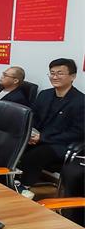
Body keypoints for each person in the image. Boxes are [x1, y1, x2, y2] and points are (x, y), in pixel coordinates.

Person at [17, 58, 84, 199]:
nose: (55, 77)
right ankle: (9, 179)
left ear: (72, 76)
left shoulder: (80, 101)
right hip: (39, 137)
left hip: (62, 144)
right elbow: (33, 118)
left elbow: (77, 132)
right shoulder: (45, 94)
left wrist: (43, 138)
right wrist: (30, 134)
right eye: (52, 73)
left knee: (37, 154)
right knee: (13, 142)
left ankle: (23, 187)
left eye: (60, 73)